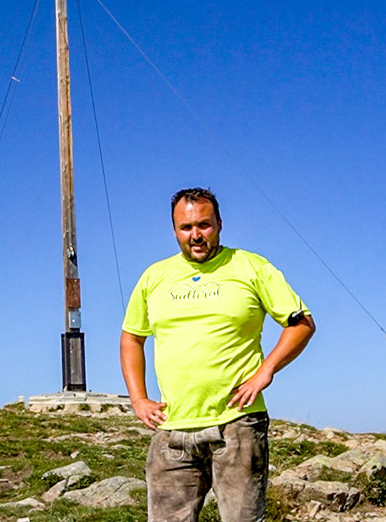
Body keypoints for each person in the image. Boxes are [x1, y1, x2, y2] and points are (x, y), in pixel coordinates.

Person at [120, 187, 315, 522]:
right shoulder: (154, 277)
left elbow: (301, 324)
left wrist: (265, 371)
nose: (196, 235)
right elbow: (131, 337)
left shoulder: (251, 267)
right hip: (172, 428)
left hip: (238, 424)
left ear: (219, 224)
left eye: (204, 225)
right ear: (175, 230)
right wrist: (138, 399)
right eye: (186, 227)